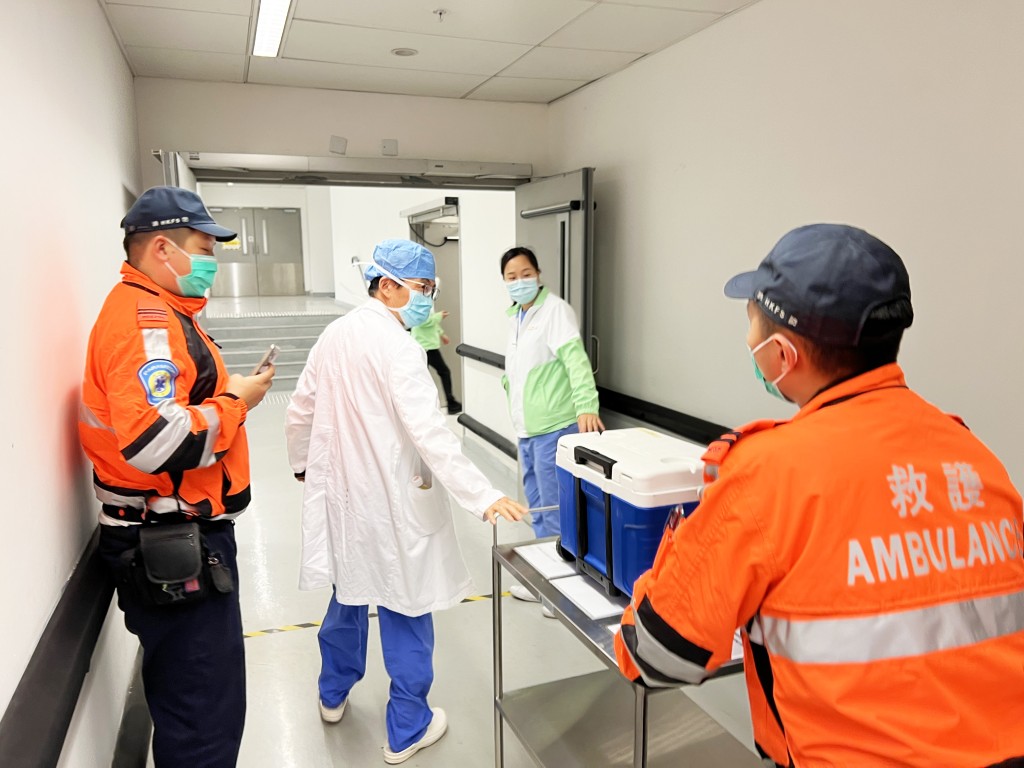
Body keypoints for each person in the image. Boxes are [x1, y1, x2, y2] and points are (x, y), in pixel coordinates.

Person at [614, 224, 1024, 767]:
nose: (746, 339)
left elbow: (660, 656)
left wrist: (670, 563)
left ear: (781, 355)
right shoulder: (971, 454)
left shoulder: (767, 473)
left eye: (750, 323)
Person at [284, 239, 526, 765]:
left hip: (346, 500)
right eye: (421, 288)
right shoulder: (399, 348)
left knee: (347, 593)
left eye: (430, 289)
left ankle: (332, 693)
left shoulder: (334, 334)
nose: (426, 299)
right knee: (405, 606)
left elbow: (300, 410)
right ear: (386, 285)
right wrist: (482, 495)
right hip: (391, 505)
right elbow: (431, 434)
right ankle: (407, 727)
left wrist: (303, 464)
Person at [79, 186, 275, 767]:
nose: (211, 258)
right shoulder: (146, 322)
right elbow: (155, 441)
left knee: (198, 706)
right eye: (203, 245)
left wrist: (225, 393)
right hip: (170, 541)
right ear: (162, 247)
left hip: (175, 535)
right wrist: (238, 403)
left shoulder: (163, 312)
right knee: (203, 723)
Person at [500, 246, 604, 608]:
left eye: (525, 273)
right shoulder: (516, 316)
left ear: (538, 274)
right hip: (528, 428)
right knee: (538, 505)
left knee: (553, 507)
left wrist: (587, 406)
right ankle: (549, 577)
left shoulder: (554, 310)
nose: (520, 282)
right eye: (511, 277)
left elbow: (576, 360)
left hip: (554, 426)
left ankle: (558, 589)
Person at [411, 308, 462, 414]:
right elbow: (422, 322)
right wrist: (439, 317)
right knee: (439, 373)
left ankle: (449, 404)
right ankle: (449, 404)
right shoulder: (417, 305)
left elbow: (431, 321)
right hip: (424, 346)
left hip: (429, 345)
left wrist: (441, 334)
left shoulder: (426, 304)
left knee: (437, 374)